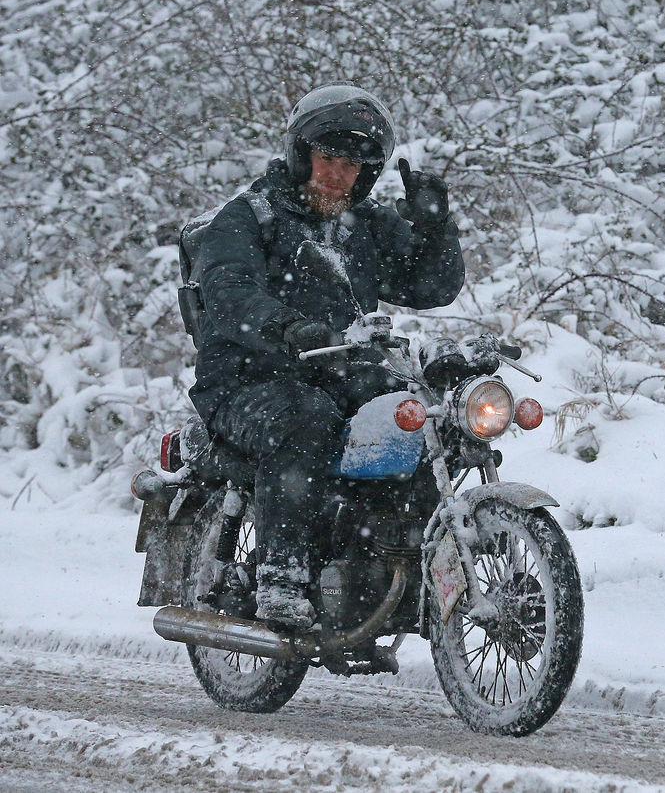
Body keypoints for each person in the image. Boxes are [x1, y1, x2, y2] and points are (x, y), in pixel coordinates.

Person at [188, 83, 464, 629]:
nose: (339, 175)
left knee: (423, 420)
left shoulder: (366, 224)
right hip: (245, 380)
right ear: (300, 153)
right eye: (329, 158)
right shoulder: (249, 217)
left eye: (354, 165)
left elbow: (431, 287)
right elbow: (229, 291)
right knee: (305, 419)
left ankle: (395, 566)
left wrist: (435, 227)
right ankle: (282, 576)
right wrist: (286, 327)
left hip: (341, 372)